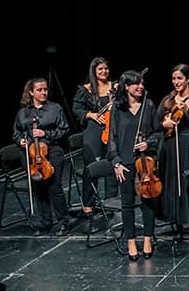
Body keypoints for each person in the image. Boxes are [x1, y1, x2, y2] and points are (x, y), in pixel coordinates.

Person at [106, 70, 160, 260]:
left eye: (142, 83)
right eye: (136, 83)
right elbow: (111, 138)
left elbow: (158, 132)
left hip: (145, 161)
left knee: (148, 200)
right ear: (126, 87)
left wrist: (149, 143)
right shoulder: (117, 109)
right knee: (127, 204)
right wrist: (116, 162)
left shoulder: (149, 105)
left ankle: (147, 239)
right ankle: (130, 241)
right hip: (126, 163)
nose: (140, 87)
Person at [155, 64, 189, 242]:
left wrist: (186, 112)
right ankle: (176, 224)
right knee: (173, 182)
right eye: (174, 79)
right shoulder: (168, 100)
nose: (176, 82)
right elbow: (156, 123)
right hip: (171, 145)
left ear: (188, 79)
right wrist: (164, 124)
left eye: (180, 78)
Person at [14, 78, 70, 235]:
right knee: (39, 188)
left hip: (52, 150)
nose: (43, 92)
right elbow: (16, 132)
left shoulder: (55, 108)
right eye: (39, 90)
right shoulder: (23, 112)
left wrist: (46, 133)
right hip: (31, 154)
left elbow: (64, 130)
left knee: (54, 187)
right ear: (31, 92)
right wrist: (21, 140)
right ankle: (46, 221)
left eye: (45, 89)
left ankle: (63, 221)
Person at [72, 56, 117, 218]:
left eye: (106, 68)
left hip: (112, 130)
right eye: (100, 69)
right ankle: (88, 204)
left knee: (113, 164)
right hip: (93, 129)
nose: (104, 71)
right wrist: (90, 114)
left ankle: (111, 201)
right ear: (94, 71)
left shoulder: (115, 88)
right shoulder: (86, 89)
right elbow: (77, 109)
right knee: (91, 166)